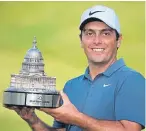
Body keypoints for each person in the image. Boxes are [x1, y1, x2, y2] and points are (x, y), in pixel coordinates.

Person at [6, 5, 145, 131]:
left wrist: (75, 117)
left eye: (105, 33)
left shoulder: (132, 80)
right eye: (90, 33)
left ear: (118, 40)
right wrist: (33, 120)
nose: (97, 41)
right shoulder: (71, 85)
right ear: (81, 40)